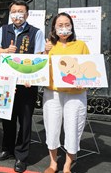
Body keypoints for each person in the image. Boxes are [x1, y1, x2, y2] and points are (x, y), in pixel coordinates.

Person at [0, 0, 45, 173]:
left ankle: (21, 156)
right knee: (7, 117)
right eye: (14, 11)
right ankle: (7, 149)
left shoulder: (35, 32)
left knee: (25, 120)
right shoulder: (3, 30)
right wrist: (5, 51)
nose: (17, 14)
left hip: (27, 85)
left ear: (27, 14)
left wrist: (32, 76)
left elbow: (39, 56)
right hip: (6, 82)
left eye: (20, 11)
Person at [42, 13, 89, 173]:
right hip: (52, 93)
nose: (63, 27)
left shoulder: (81, 45)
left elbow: (88, 70)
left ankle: (67, 165)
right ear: (53, 28)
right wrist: (44, 52)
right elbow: (39, 69)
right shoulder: (48, 46)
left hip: (75, 94)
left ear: (72, 26)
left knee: (73, 127)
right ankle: (53, 163)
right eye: (59, 25)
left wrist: (83, 81)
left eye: (66, 24)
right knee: (52, 127)